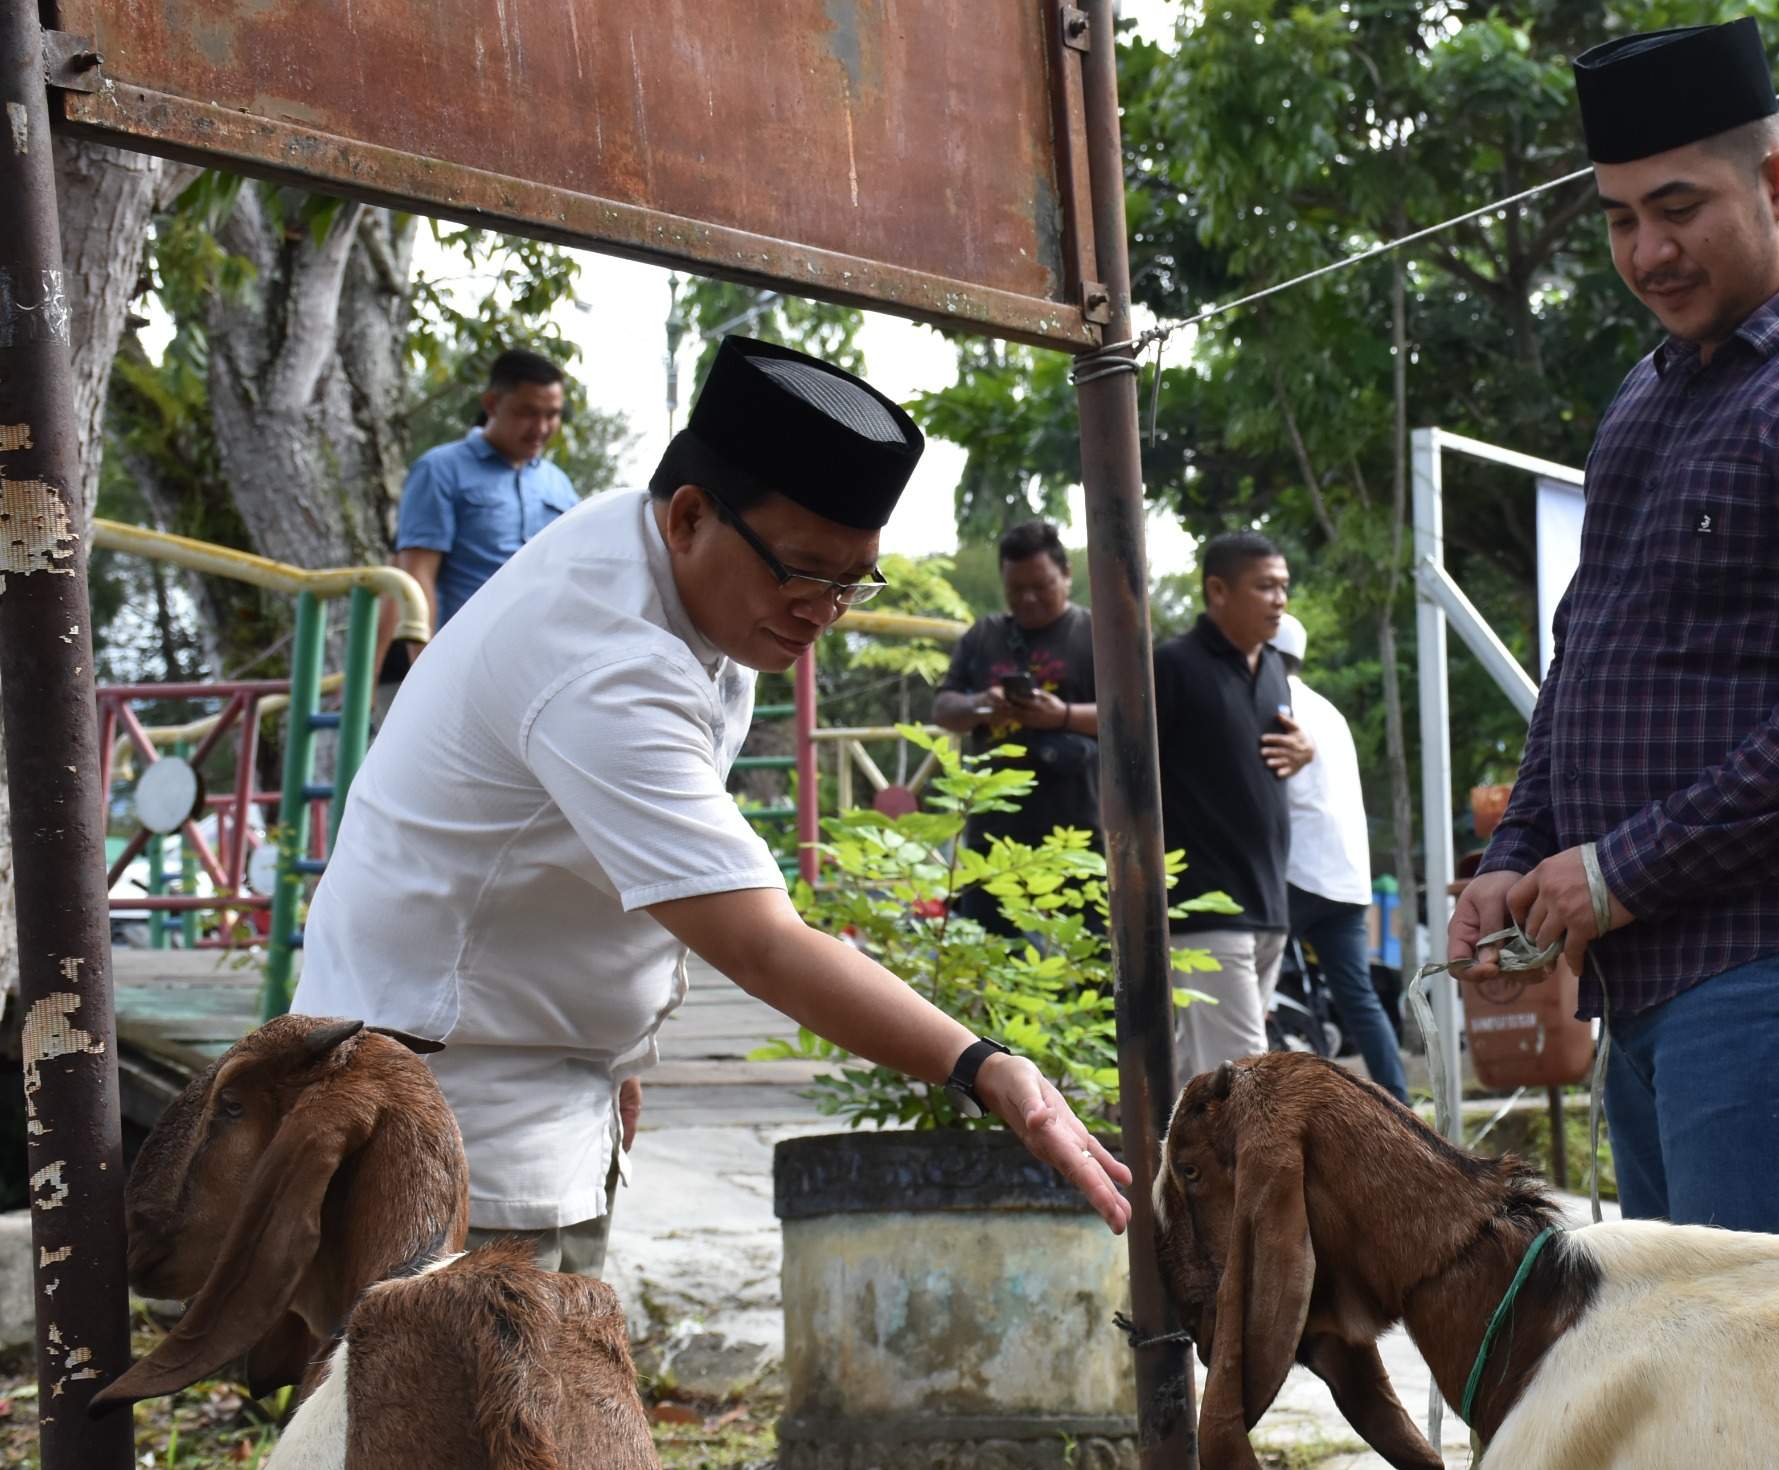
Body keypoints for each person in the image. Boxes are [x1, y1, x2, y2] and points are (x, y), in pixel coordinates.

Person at [296, 336, 1129, 1272]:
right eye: (803, 571)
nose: (824, 612)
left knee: (553, 1366)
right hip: (447, 1105)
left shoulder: (673, 567)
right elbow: (761, 942)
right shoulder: (602, 655)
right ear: (691, 515)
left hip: (545, 1079)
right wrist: (984, 1066)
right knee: (442, 1369)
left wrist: (619, 1051)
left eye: (853, 581)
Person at [1451, 17, 1779, 1269]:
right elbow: (1581, 659)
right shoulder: (1646, 398)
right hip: (1653, 974)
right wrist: (1514, 854)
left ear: (1778, 181)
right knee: (1702, 1364)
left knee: (1766, 1377)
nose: (1647, 251)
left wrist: (1620, 869)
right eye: (1619, 218)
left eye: (1678, 208)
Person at [1155, 532, 1312, 1088]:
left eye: (1284, 587)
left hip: (1268, 904)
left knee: (1203, 1079)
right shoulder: (1171, 665)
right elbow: (1125, 766)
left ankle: (1154, 1146)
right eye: (1265, 587)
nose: (1280, 600)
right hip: (1206, 907)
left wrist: (1307, 750)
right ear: (1218, 590)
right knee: (1248, 1082)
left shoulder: (1273, 669)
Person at [932, 519, 1101, 933]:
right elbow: (942, 708)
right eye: (1015, 589)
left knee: (1086, 954)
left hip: (1078, 832)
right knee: (989, 952)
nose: (1028, 599)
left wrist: (1062, 715)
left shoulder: (1097, 634)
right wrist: (981, 705)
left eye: (1041, 586)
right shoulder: (984, 635)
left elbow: (1135, 718)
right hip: (994, 834)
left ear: (1067, 574)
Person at [1271, 612, 1409, 1102]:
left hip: (1296, 871)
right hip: (1347, 877)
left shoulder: (1273, 700)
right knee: (1359, 999)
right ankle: (1401, 1108)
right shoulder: (1328, 710)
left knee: (1249, 984)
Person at [391, 348, 582, 654]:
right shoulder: (440, 470)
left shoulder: (559, 485)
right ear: (492, 404)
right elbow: (417, 576)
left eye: (552, 415)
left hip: (540, 658)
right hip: (464, 657)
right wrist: (424, 667)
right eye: (527, 413)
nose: (541, 428)